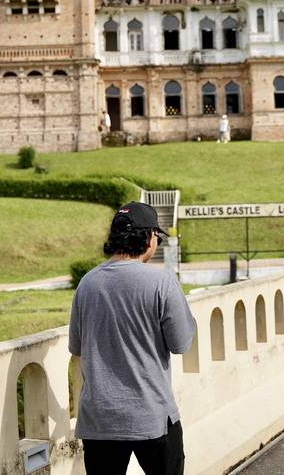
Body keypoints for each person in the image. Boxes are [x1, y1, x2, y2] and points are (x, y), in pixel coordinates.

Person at [69, 202, 196, 475]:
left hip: (99, 419)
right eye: (157, 237)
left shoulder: (87, 283)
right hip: (152, 415)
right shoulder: (161, 282)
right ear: (149, 237)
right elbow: (181, 343)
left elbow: (77, 346)